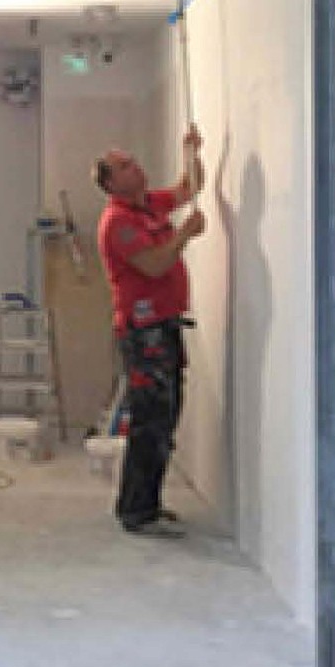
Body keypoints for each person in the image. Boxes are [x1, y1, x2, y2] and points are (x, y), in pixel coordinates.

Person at [93, 128, 206, 538]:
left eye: (132, 161)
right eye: (124, 167)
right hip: (144, 333)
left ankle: (147, 503)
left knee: (166, 414)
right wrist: (184, 236)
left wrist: (190, 151)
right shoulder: (118, 223)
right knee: (150, 419)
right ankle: (135, 509)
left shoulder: (149, 205)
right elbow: (155, 264)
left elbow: (190, 187)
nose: (135, 167)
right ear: (110, 183)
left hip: (165, 326)